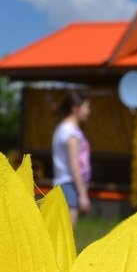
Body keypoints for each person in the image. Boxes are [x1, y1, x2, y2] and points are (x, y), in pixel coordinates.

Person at [51, 89, 92, 225]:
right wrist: (83, 194)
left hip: (62, 184)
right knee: (67, 235)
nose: (88, 111)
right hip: (68, 185)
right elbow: (74, 164)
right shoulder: (71, 133)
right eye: (86, 107)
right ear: (75, 108)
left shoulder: (63, 129)